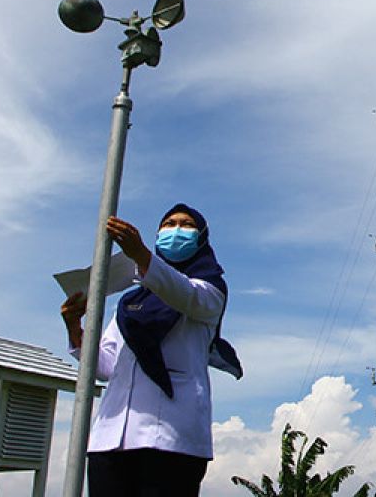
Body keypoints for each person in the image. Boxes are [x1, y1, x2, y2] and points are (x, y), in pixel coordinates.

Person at [61, 203, 242, 496]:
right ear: (157, 235)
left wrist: (141, 256)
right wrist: (74, 328)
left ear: (202, 237)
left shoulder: (210, 291)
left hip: (172, 439)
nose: (176, 230)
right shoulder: (129, 305)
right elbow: (105, 368)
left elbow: (183, 293)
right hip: (111, 438)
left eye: (186, 225)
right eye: (169, 224)